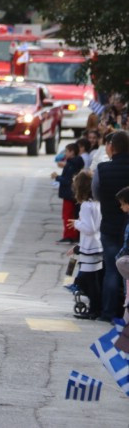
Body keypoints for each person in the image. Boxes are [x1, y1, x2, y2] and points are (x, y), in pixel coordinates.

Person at [92, 130, 129, 322]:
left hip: (110, 225)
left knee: (112, 270)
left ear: (112, 147)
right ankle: (126, 313)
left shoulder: (102, 169)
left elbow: (96, 193)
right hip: (127, 225)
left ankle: (108, 312)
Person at [66, 171, 103, 319]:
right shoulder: (97, 203)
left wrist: (77, 223)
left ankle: (94, 309)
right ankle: (96, 308)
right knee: (93, 280)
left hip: (89, 248)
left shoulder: (86, 206)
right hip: (97, 246)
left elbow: (89, 228)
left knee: (87, 280)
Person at [52, 143, 84, 244]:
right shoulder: (75, 162)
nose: (65, 153)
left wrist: (57, 177)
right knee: (72, 215)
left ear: (72, 152)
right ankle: (73, 235)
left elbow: (68, 180)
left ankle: (69, 235)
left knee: (68, 215)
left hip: (69, 194)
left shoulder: (72, 164)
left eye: (67, 151)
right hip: (73, 194)